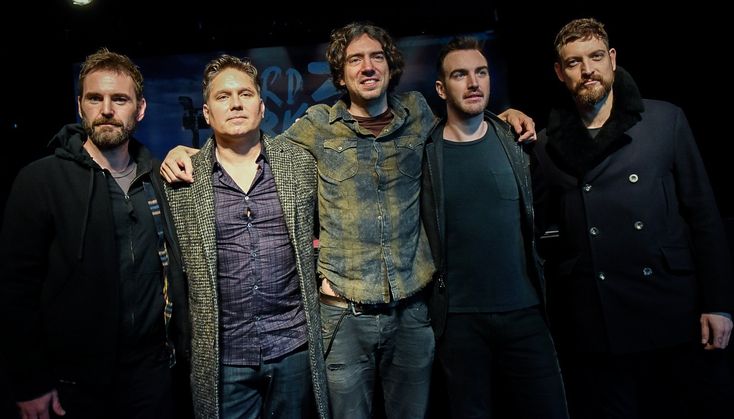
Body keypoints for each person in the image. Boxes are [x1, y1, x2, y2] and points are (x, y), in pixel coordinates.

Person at [160, 22, 536, 419]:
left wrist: (504, 116)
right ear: (340, 74)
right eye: (355, 59)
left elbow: (466, 116)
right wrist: (188, 153)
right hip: (343, 318)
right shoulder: (316, 127)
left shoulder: (419, 113)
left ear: (391, 68)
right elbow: (248, 146)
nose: (368, 67)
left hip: (411, 314)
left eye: (376, 57)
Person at [533, 18, 734, 419]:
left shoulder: (664, 121)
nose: (586, 69)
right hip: (595, 319)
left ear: (612, 59)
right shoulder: (544, 145)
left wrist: (719, 304)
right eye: (573, 62)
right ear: (559, 72)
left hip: (670, 306)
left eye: (594, 57)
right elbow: (541, 232)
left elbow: (704, 216)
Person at [0, 48, 191, 419]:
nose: (106, 109)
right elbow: (14, 290)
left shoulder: (158, 178)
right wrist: (29, 382)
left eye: (119, 99)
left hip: (153, 374)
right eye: (95, 98)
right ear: (80, 105)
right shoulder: (40, 180)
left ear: (140, 109)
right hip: (74, 383)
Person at [165, 54, 329, 419]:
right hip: (225, 356)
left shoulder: (300, 164)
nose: (236, 103)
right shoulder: (181, 179)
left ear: (261, 106)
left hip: (294, 348)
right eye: (223, 96)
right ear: (207, 113)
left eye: (245, 94)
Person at [421, 36, 568, 419]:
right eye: (460, 74)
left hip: (525, 313)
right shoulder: (424, 153)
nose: (473, 83)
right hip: (459, 323)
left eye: (480, 73)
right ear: (441, 88)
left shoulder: (516, 141)